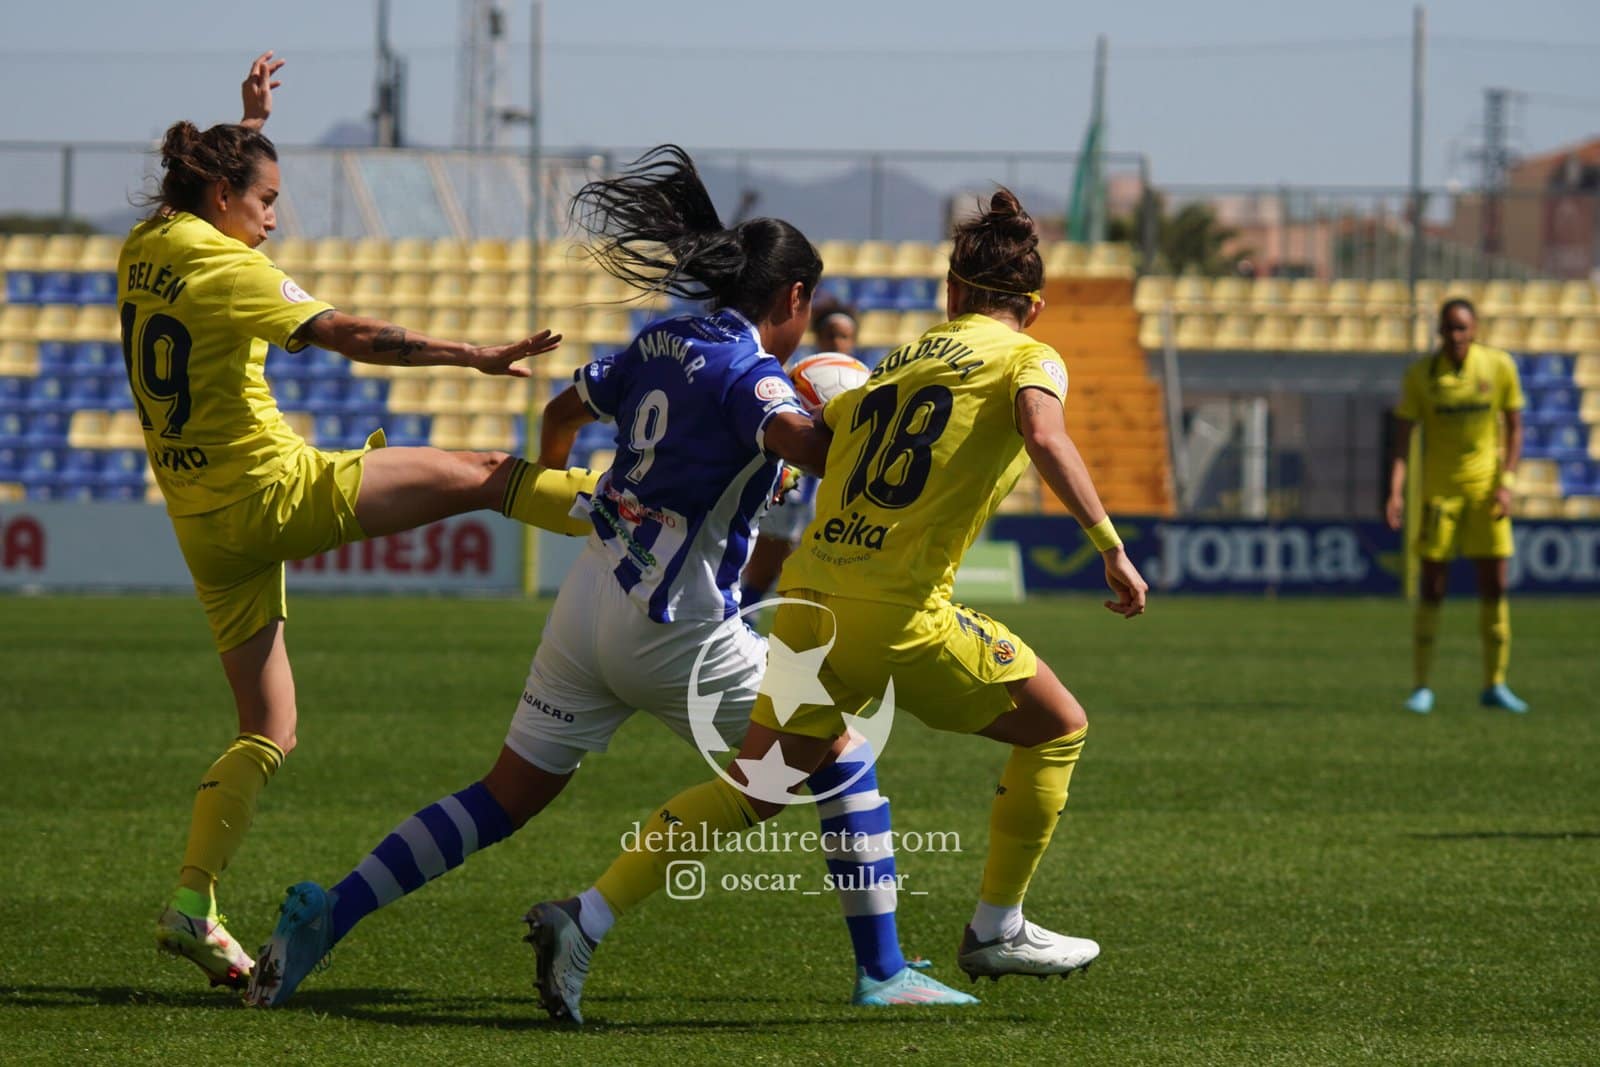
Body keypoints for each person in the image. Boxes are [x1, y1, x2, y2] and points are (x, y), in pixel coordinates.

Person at [246, 145, 974, 1014]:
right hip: (678, 627)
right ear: (791, 300)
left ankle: (331, 914)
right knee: (840, 757)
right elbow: (803, 447)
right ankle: (883, 973)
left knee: (501, 796)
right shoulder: (754, 375)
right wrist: (854, 413)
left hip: (591, 596)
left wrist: (568, 486)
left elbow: (562, 411)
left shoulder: (661, 339)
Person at [526, 188, 1150, 1023]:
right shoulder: (1027, 357)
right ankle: (996, 926)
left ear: (951, 294)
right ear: (1031, 307)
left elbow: (829, 437)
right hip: (897, 614)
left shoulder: (894, 363)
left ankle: (585, 915)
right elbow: (1044, 433)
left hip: (809, 599)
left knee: (756, 783)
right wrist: (1110, 544)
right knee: (1058, 725)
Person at [131, 53, 598, 990]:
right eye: (266, 197)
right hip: (270, 493)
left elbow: (206, 202)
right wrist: (473, 353)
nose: (274, 218)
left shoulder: (143, 245)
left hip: (198, 521)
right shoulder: (229, 267)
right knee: (479, 470)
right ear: (222, 195)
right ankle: (634, 514)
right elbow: (352, 336)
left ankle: (193, 901)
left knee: (270, 727)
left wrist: (248, 121)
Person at [1386, 298, 1528, 714]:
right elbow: (1402, 440)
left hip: (1486, 492)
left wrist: (1507, 483)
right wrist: (1396, 490)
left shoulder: (1499, 367)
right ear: (1439, 332)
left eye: (1462, 328)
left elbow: (1516, 428)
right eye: (1448, 328)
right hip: (1439, 493)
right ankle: (1422, 686)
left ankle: (1495, 684)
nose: (1456, 336)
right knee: (1432, 587)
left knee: (1495, 585)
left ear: (1475, 329)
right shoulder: (1421, 377)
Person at [740, 302, 860, 602]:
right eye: (831, 335)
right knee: (763, 573)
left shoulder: (862, 381)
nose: (838, 342)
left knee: (828, 581)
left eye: (845, 336)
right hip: (790, 490)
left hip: (831, 495)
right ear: (819, 338)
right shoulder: (798, 377)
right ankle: (745, 623)